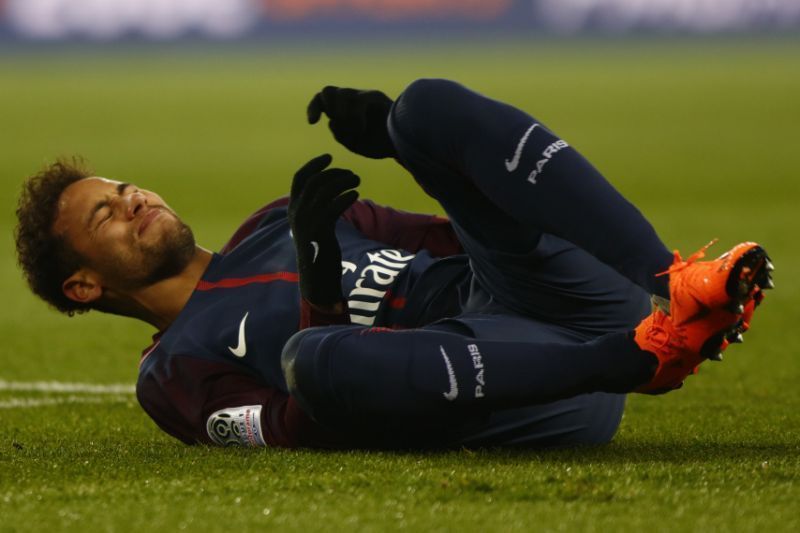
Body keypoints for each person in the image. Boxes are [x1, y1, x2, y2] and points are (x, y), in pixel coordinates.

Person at [14, 79, 773, 449]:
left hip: (548, 294)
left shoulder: (276, 219)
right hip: (526, 387)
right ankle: (643, 355)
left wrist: (404, 143)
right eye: (105, 214)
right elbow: (298, 427)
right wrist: (319, 284)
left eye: (121, 186)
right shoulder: (170, 378)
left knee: (424, 107)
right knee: (314, 360)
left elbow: (464, 227)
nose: (133, 198)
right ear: (84, 284)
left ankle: (672, 283)